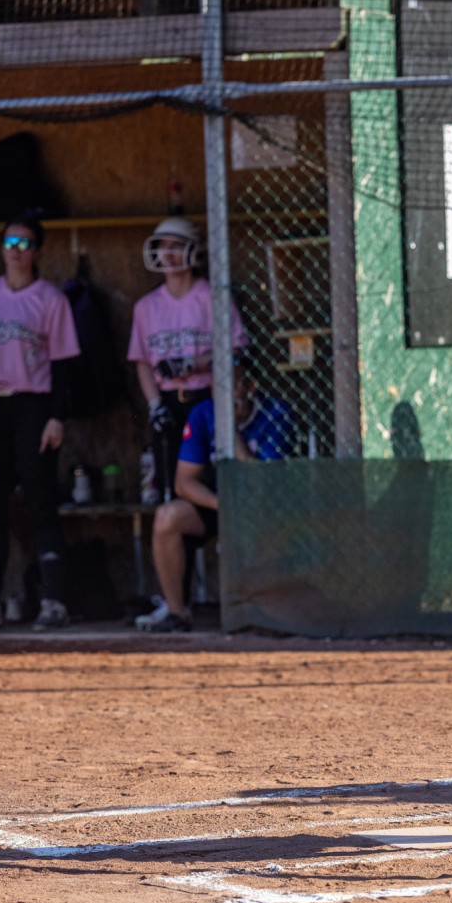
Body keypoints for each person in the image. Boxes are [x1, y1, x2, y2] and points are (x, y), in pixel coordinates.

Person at [0, 216, 81, 630]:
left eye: (25, 243)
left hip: (33, 406)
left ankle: (54, 599)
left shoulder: (50, 299)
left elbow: (63, 365)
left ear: (37, 251)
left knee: (40, 500)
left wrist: (57, 416)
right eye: (10, 242)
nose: (16, 250)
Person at [137, 368, 293, 633]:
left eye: (231, 390)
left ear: (250, 389)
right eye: (216, 391)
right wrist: (221, 505)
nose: (223, 400)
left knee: (258, 519)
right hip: (220, 502)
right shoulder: (203, 412)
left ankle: (263, 611)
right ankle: (177, 613)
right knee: (167, 517)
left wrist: (231, 432)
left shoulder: (276, 413)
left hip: (263, 504)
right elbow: (184, 482)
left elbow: (260, 484)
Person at [128, 217, 248, 505]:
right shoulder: (147, 306)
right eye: (161, 246)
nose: (166, 254)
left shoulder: (212, 297)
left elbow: (238, 350)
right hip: (168, 403)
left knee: (211, 477)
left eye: (175, 246)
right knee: (172, 486)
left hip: (207, 398)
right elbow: (142, 360)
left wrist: (194, 363)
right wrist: (155, 404)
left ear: (194, 251)